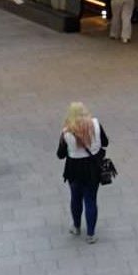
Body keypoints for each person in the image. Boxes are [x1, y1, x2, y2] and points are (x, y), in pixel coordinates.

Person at [56, 102, 109, 240]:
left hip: (74, 169)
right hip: (92, 168)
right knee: (91, 199)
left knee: (75, 198)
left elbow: (60, 154)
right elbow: (105, 142)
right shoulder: (96, 124)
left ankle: (76, 226)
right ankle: (91, 234)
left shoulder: (67, 131)